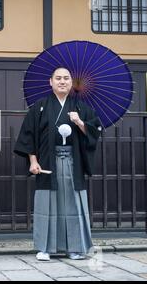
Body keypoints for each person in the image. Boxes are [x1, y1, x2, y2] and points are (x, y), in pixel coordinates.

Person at [14, 67, 102, 261]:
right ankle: (45, 248)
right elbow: (28, 136)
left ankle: (75, 248)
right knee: (47, 205)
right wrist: (33, 161)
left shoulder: (81, 108)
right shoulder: (40, 106)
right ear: (50, 82)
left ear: (71, 83)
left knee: (73, 205)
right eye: (58, 78)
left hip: (73, 162)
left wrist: (80, 122)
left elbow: (95, 131)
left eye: (66, 78)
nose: (62, 81)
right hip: (47, 162)